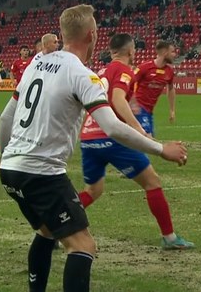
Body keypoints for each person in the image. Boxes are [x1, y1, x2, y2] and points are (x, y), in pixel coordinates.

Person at [0, 4, 188, 292]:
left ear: (62, 34)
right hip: (42, 172)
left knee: (47, 232)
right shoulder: (83, 74)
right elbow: (112, 127)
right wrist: (161, 149)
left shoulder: (37, 62)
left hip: (11, 169)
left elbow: (8, 117)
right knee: (83, 245)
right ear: (92, 35)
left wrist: (5, 157)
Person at [79, 33, 194, 250]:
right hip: (111, 138)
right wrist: (140, 130)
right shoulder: (124, 70)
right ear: (131, 51)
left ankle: (56, 226)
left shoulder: (101, 71)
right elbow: (117, 100)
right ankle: (169, 238)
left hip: (89, 136)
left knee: (93, 191)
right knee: (152, 182)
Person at [0, 35, 58, 160]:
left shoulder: (37, 60)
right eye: (55, 42)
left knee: (10, 120)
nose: (57, 44)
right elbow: (13, 72)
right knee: (10, 120)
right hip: (25, 94)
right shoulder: (35, 60)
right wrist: (14, 82)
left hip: (29, 95)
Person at [131, 40, 176, 136]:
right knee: (147, 137)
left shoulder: (169, 72)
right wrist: (133, 102)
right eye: (172, 51)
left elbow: (171, 89)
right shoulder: (144, 68)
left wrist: (172, 110)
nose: (174, 54)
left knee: (146, 139)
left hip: (149, 110)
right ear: (164, 52)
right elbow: (130, 82)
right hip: (139, 108)